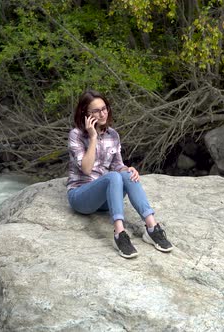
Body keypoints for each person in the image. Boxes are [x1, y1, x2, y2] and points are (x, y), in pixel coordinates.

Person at [66, 89, 173, 259]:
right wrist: (93, 138)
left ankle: (152, 228)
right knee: (114, 177)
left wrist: (128, 169)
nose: (102, 113)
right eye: (96, 111)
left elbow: (117, 165)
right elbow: (86, 169)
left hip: (104, 199)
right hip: (81, 196)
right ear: (85, 113)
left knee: (125, 174)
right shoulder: (76, 135)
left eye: (104, 108)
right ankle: (119, 234)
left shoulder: (113, 135)